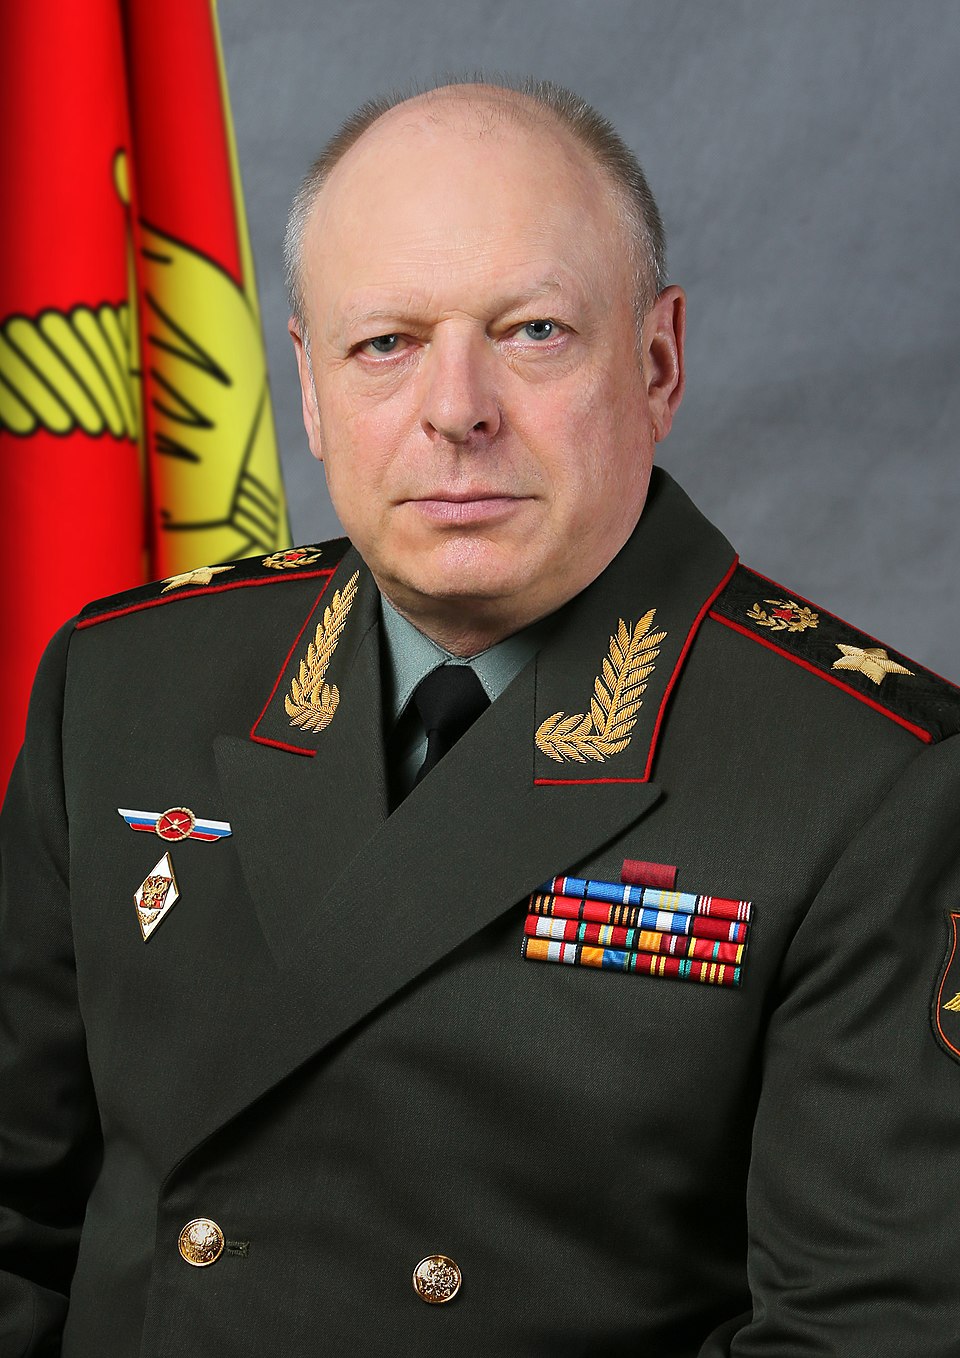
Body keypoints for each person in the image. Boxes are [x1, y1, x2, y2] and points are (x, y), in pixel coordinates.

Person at [1, 77, 959, 1358]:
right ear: (309, 387)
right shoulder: (125, 680)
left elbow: (867, 1331)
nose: (457, 409)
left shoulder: (877, 782)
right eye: (385, 344)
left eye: (533, 331)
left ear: (658, 362)